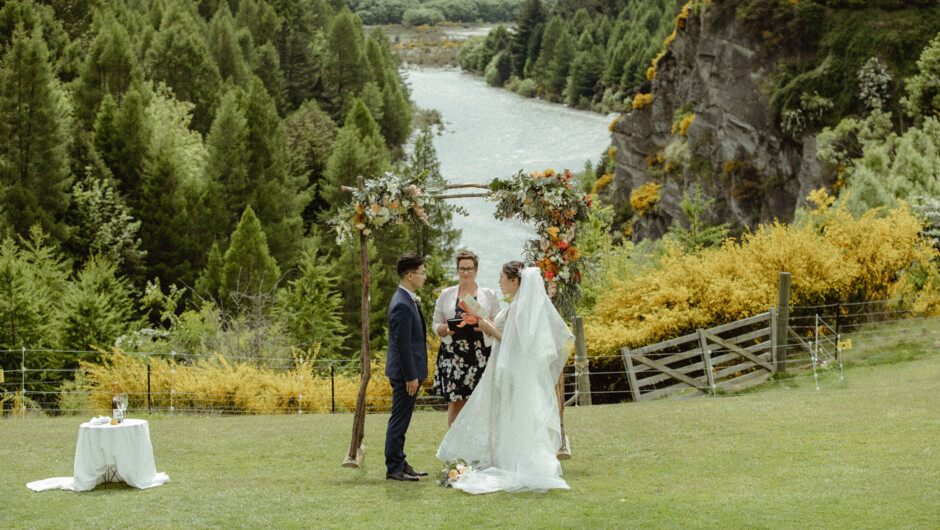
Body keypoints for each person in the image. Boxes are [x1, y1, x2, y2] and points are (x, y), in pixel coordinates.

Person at [437, 262, 574, 494]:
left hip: (510, 368)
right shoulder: (516, 305)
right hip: (503, 366)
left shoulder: (520, 306)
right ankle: (501, 454)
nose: (499, 281)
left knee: (508, 413)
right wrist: (484, 324)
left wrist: (488, 328)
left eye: (502, 277)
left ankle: (512, 458)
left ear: (514, 281)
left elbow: (516, 343)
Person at [432, 250, 502, 426]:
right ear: (457, 270)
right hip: (454, 354)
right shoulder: (446, 294)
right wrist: (445, 329)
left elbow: (499, 325)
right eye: (462, 269)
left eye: (469, 269)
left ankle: (478, 443)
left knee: (481, 400)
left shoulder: (489, 295)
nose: (465, 273)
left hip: (481, 353)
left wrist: (485, 323)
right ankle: (454, 445)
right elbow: (435, 325)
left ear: (476, 270)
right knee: (455, 401)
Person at [384, 253, 430, 482]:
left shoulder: (407, 298)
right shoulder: (402, 303)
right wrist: (410, 376)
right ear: (410, 275)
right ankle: (394, 468)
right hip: (405, 375)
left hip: (407, 373)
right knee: (399, 420)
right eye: (422, 273)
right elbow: (402, 345)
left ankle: (400, 461)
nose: (424, 277)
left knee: (403, 418)